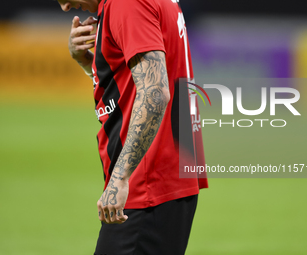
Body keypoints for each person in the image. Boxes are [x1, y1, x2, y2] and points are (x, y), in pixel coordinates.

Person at [57, 0, 208, 254]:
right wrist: (86, 62)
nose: (65, 7)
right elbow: (134, 82)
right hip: (167, 173)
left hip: (148, 181)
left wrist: (121, 177)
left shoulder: (126, 3)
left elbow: (156, 92)